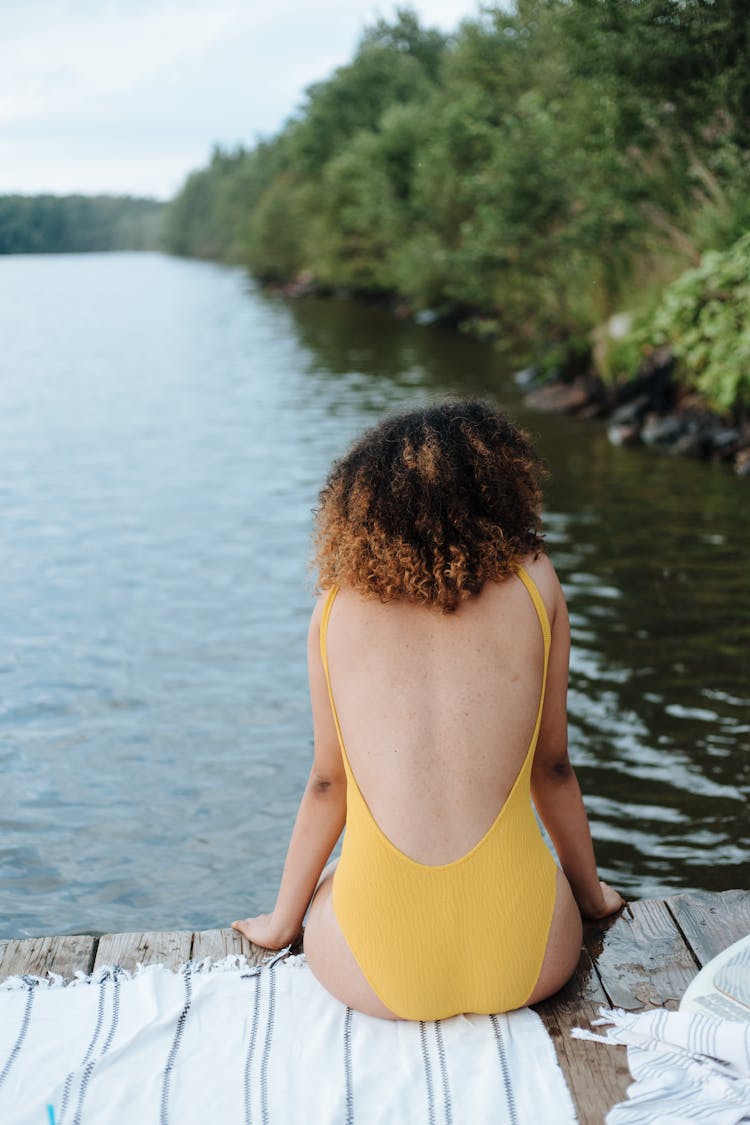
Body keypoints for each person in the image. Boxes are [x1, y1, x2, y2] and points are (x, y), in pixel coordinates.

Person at [233, 400, 624, 1020]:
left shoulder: (336, 608)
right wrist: (594, 900)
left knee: (341, 879)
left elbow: (327, 784)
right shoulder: (536, 582)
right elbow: (553, 770)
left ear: (361, 509)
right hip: (532, 958)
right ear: (500, 490)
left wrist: (283, 924)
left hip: (374, 969)